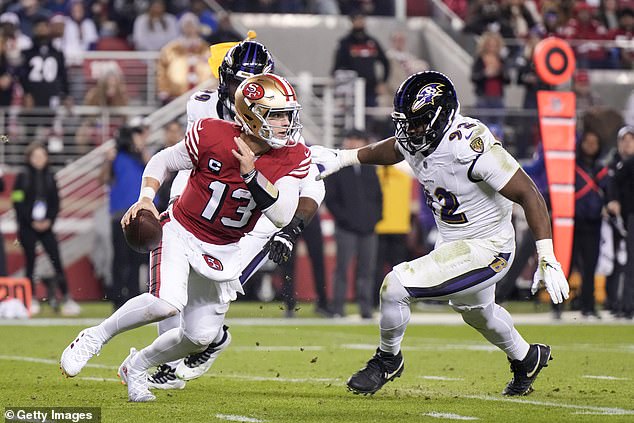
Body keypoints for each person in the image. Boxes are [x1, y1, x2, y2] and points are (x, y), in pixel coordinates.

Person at [311, 71, 570, 396]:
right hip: (454, 243)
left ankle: (387, 360)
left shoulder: (471, 145)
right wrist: (345, 157)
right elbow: (396, 148)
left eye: (417, 123)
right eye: (406, 122)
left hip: (489, 247)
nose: (410, 130)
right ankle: (527, 357)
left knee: (396, 286)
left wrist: (546, 254)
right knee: (480, 316)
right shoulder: (418, 137)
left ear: (440, 118)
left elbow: (529, 194)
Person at [60, 72, 312, 403]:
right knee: (165, 305)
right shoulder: (212, 134)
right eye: (276, 114)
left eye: (286, 114)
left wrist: (251, 173)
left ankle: (136, 367)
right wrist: (147, 196)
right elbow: (164, 159)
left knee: (200, 337)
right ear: (252, 115)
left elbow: (281, 214)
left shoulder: (293, 156)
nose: (285, 123)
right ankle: (95, 337)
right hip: (181, 229)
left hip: (225, 248)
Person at [147, 39, 325, 389]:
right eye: (237, 82)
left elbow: (294, 172)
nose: (243, 90)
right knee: (170, 284)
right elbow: (193, 155)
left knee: (218, 284)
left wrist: (286, 224)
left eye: (253, 81)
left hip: (249, 204)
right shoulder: (202, 106)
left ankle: (210, 337)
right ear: (224, 80)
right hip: (204, 184)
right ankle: (170, 361)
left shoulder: (282, 119)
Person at [11, 142, 79, 315]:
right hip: (27, 227)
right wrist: (30, 220)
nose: (39, 160)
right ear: (29, 158)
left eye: (42, 156)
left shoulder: (50, 176)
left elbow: (56, 202)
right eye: (36, 156)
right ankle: (31, 299)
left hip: (47, 226)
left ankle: (67, 298)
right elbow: (17, 201)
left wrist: (49, 220)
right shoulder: (22, 176)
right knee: (30, 262)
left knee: (56, 260)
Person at [324, 129, 383, 318]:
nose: (355, 143)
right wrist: (345, 220)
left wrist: (375, 218)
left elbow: (378, 197)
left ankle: (365, 308)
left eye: (358, 140)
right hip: (346, 228)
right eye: (352, 139)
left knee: (367, 269)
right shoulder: (337, 167)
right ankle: (338, 307)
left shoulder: (369, 167)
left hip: (368, 228)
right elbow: (331, 200)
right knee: (342, 268)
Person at [100, 120, 151, 310]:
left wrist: (143, 150)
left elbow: (161, 175)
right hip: (120, 215)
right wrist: (108, 160)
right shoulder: (116, 156)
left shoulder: (143, 156)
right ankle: (117, 298)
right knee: (119, 258)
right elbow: (103, 179)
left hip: (142, 214)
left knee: (138, 259)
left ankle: (133, 298)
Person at [572, 130, 609, 319]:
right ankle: (557, 306)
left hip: (593, 223)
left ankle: (589, 305)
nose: (591, 146)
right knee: (566, 265)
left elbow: (609, 189)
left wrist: (610, 203)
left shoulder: (600, 168)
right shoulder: (572, 166)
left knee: (590, 266)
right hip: (572, 222)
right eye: (588, 142)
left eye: (595, 142)